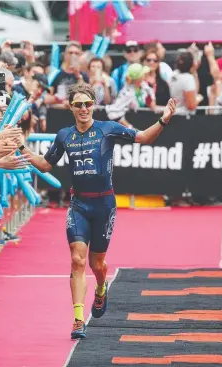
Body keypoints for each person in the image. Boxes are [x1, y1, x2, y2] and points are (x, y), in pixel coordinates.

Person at [20, 83, 177, 339]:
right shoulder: (64, 135)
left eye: (88, 104)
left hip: (104, 205)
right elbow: (46, 165)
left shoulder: (108, 129)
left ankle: (102, 287)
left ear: (93, 105)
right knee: (77, 260)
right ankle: (78, 320)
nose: (84, 109)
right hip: (79, 205)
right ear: (70, 107)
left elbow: (145, 138)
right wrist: (20, 147)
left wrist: (163, 120)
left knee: (97, 263)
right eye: (78, 104)